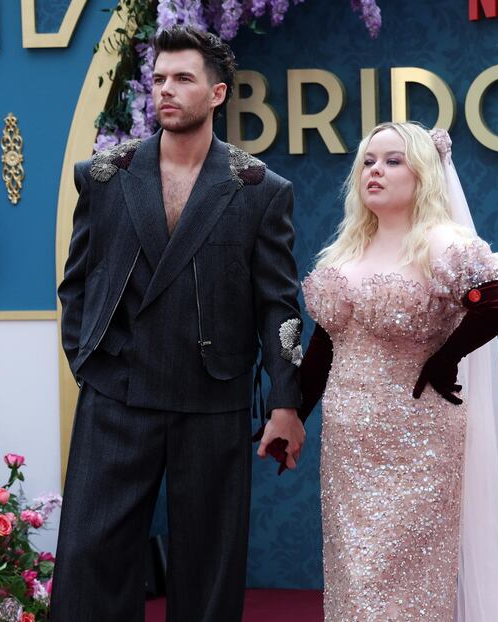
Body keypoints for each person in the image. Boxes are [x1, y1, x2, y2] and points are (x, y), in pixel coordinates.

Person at [51, 26, 306, 622]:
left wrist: (285, 403)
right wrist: (89, 361)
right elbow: (77, 283)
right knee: (91, 563)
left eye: (183, 78)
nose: (166, 90)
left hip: (213, 399)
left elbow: (279, 305)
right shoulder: (105, 176)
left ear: (217, 94)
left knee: (210, 571)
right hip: (117, 396)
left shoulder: (260, 189)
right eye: (160, 78)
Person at [297, 121, 498, 621]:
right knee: (354, 578)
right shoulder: (347, 248)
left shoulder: (441, 242)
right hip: (348, 447)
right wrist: (291, 414)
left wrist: (443, 359)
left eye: (393, 160)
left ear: (423, 173)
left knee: (398, 583)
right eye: (369, 161)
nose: (376, 170)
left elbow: (497, 303)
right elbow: (325, 341)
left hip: (415, 441)